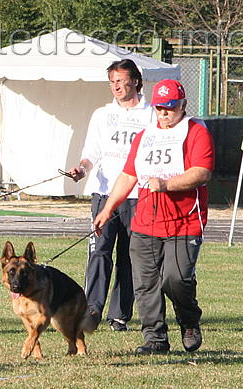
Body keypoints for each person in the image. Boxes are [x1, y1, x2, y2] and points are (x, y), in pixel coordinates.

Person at [93, 79, 214, 355]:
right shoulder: (144, 136)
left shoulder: (196, 132)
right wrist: (108, 209)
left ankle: (189, 320)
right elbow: (128, 175)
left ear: (183, 105)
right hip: (146, 222)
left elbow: (202, 172)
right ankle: (155, 338)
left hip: (184, 222)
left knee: (176, 279)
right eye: (159, 107)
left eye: (170, 107)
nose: (164, 113)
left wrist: (167, 184)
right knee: (145, 283)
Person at [68, 59, 156, 332]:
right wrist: (82, 169)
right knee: (99, 252)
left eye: (121, 81)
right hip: (105, 193)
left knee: (129, 255)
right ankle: (91, 309)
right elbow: (92, 151)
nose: (116, 86)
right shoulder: (101, 114)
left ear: (135, 81)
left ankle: (119, 314)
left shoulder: (152, 114)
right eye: (112, 82)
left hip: (138, 195)